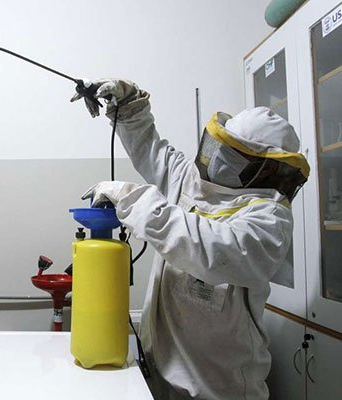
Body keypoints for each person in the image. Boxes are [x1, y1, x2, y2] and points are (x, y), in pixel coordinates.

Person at [71, 79, 310, 400]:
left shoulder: (269, 219)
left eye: (236, 158)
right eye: (220, 148)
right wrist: (128, 106)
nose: (222, 161)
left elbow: (209, 248)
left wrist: (131, 199)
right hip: (158, 376)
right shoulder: (195, 182)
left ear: (264, 169)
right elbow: (153, 151)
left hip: (219, 389)